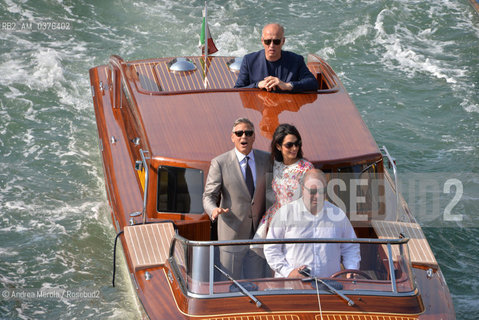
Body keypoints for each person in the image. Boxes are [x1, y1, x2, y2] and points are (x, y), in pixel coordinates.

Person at [203, 118, 270, 279]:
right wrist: (213, 210)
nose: (243, 137)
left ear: (254, 137)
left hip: (259, 236)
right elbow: (208, 196)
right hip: (232, 234)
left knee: (256, 282)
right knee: (229, 282)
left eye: (248, 133)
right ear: (232, 137)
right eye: (239, 133)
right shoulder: (220, 163)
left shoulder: (267, 159)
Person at [264, 169, 361, 278]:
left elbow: (351, 247)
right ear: (302, 189)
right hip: (292, 288)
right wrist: (288, 272)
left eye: (321, 191)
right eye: (312, 191)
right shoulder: (285, 214)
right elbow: (271, 249)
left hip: (330, 287)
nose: (317, 196)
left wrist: (351, 269)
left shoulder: (338, 215)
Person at [253, 124, 313, 241]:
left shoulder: (306, 168)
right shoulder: (274, 165)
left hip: (297, 222)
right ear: (278, 146)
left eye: (297, 144)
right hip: (275, 220)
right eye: (289, 145)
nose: (294, 148)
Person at [234, 23, 318, 92]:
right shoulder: (249, 60)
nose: (271, 45)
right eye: (268, 41)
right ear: (262, 41)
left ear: (283, 41)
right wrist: (257, 85)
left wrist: (287, 85)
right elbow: (238, 89)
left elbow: (313, 83)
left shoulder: (296, 60)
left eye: (276, 41)